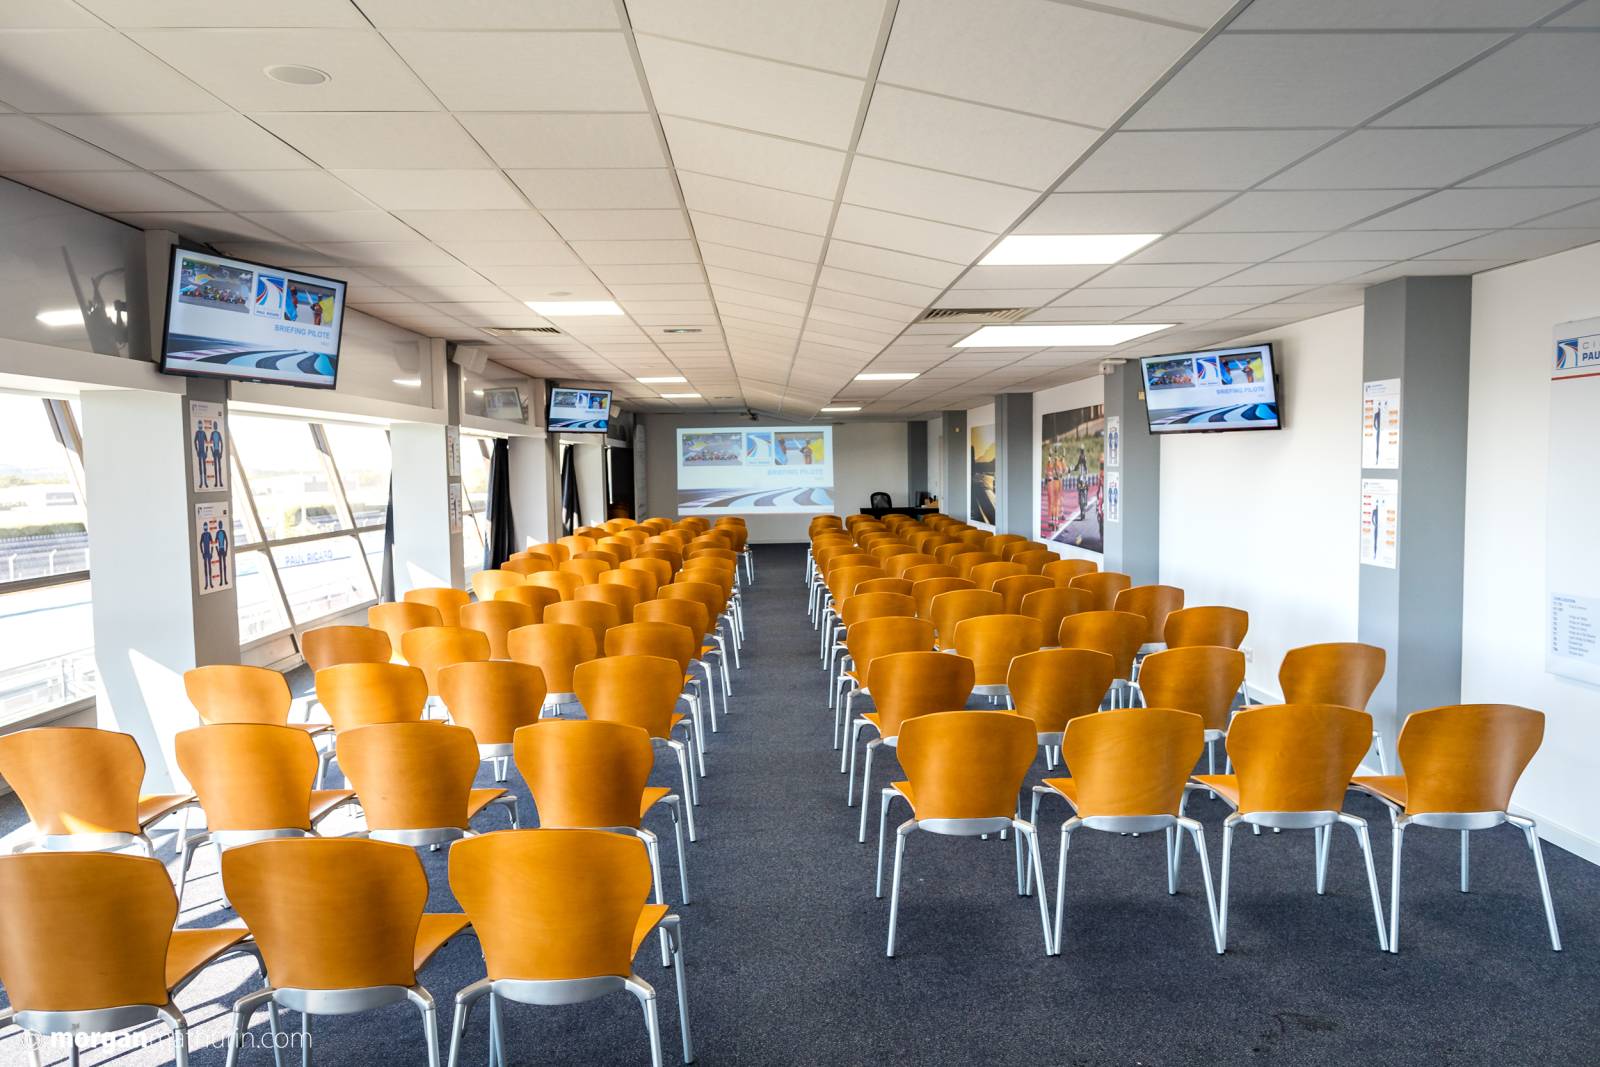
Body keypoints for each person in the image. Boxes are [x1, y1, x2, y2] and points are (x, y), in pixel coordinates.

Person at [194, 419, 210, 488]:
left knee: (204, 466)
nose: (200, 425)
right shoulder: (197, 432)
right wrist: (197, 450)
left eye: (201, 424)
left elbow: (207, 442)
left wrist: (206, 451)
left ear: (202, 425)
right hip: (199, 452)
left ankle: (205, 482)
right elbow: (195, 441)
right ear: (198, 425)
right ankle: (201, 482)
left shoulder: (203, 433)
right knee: (200, 466)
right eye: (199, 424)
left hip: (203, 452)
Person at [199, 522, 214, 590]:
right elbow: (200, 543)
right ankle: (206, 583)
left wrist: (212, 552)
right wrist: (202, 552)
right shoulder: (202, 535)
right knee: (205, 568)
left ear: (207, 527)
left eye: (206, 526)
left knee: (209, 568)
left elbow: (212, 543)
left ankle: (210, 583)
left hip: (209, 553)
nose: (205, 527)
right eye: (204, 526)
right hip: (205, 553)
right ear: (203, 527)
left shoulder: (209, 534)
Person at [214, 520, 229, 586]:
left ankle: (225, 579)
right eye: (219, 524)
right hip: (220, 550)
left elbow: (227, 541)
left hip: (223, 550)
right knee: (220, 566)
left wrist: (226, 550)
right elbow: (215, 542)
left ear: (222, 525)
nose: (220, 525)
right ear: (218, 525)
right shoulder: (217, 533)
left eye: (221, 524)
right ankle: (221, 581)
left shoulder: (223, 532)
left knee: (224, 565)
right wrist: (217, 550)